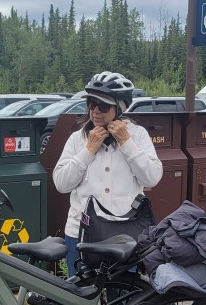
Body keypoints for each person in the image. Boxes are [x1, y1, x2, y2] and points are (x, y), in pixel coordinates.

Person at [53, 71, 162, 278]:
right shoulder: (78, 138)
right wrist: (88, 151)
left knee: (122, 295)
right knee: (78, 295)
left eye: (103, 106)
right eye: (91, 103)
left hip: (124, 235)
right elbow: (61, 183)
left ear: (119, 108)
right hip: (81, 233)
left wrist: (127, 143)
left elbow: (152, 177)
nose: (95, 111)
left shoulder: (137, 135)